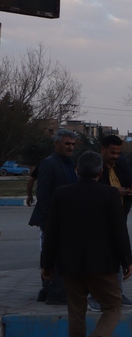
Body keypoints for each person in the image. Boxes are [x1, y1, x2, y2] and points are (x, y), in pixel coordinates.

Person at [39, 150, 132, 337]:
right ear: (101, 172)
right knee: (113, 306)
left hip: (69, 265)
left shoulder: (61, 194)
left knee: (76, 312)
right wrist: (126, 261)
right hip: (102, 264)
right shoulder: (110, 194)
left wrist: (46, 264)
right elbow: (119, 231)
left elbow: (51, 232)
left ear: (77, 171)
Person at [28, 129, 79, 304]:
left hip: (65, 218)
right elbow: (42, 194)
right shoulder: (49, 164)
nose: (70, 147)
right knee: (53, 255)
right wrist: (51, 220)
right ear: (56, 143)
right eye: (67, 143)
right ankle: (55, 292)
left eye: (72, 144)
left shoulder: (68, 163)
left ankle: (48, 290)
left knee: (56, 255)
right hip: (52, 219)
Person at [97, 134, 132, 307]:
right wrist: (116, 193)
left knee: (117, 257)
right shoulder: (95, 166)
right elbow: (92, 190)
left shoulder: (121, 164)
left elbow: (128, 183)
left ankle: (118, 294)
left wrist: (130, 190)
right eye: (112, 153)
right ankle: (96, 297)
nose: (115, 156)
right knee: (100, 260)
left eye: (118, 153)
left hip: (119, 217)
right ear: (103, 149)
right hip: (100, 221)